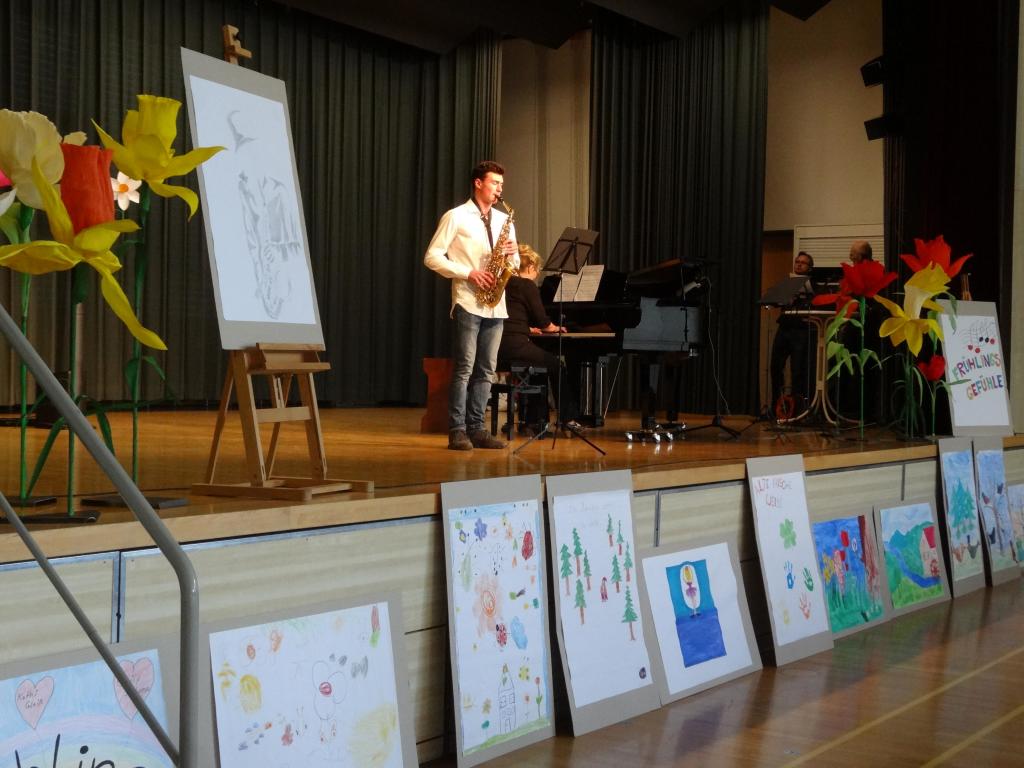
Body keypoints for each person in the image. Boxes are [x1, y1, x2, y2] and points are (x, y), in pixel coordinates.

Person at [424, 160, 519, 451]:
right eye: (494, 183)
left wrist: (512, 254)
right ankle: (457, 430)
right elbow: (432, 257)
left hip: (495, 304)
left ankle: (478, 428)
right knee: (465, 368)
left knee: (487, 370)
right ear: (478, 183)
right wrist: (469, 273)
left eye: (501, 185)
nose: (499, 189)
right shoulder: (456, 216)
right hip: (468, 299)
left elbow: (515, 264)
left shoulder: (504, 219)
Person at [497, 244, 582, 434]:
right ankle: (567, 418)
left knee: (538, 365)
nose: (537, 274)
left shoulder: (503, 283)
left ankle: (533, 421)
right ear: (530, 267)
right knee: (556, 365)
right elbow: (543, 321)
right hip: (515, 345)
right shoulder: (526, 285)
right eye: (537, 269)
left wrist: (527, 328)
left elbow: (509, 315)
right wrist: (554, 327)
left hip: (498, 346)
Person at [770, 251, 815, 416]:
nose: (799, 264)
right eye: (797, 261)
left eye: (803, 262)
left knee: (797, 371)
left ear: (809, 268)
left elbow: (815, 303)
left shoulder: (813, 285)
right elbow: (775, 301)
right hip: (784, 327)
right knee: (776, 366)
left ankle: (796, 410)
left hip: (801, 330)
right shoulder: (787, 283)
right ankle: (777, 406)